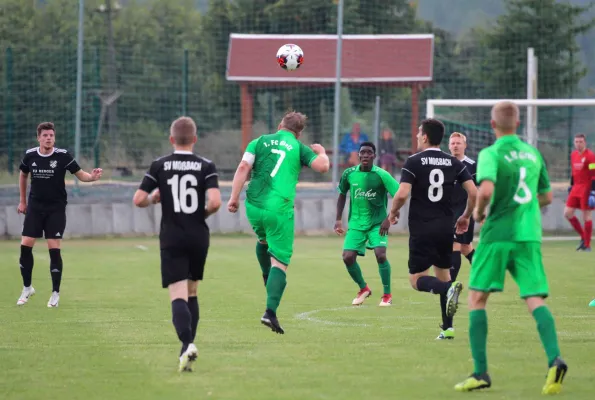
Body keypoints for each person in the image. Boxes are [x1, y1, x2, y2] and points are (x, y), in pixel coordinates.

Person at [454, 101, 567, 395]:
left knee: (477, 299)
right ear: (517, 124)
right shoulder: (532, 153)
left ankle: (480, 373)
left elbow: (486, 190)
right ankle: (555, 358)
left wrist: (478, 213)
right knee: (534, 298)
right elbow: (546, 197)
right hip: (528, 235)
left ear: (492, 125)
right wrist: (524, 207)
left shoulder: (492, 153)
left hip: (497, 235)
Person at [227, 111, 330, 334]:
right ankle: (270, 312)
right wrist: (321, 152)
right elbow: (322, 167)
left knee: (263, 240)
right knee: (281, 263)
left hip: (254, 205)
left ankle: (267, 276)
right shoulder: (299, 147)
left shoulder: (259, 142)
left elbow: (243, 168)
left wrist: (234, 197)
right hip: (279, 209)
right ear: (299, 133)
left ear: (280, 124)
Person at [133, 116, 221, 372]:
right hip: (198, 236)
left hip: (171, 236)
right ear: (195, 139)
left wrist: (154, 198)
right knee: (192, 292)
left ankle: (186, 345)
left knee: (177, 293)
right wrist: (200, 215)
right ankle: (188, 347)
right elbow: (214, 202)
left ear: (171, 139)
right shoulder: (206, 165)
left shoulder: (159, 165)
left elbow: (138, 199)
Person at [388, 118, 476, 338]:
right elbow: (474, 193)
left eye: (419, 133)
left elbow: (401, 193)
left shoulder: (414, 161)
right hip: (447, 228)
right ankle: (448, 329)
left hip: (422, 228)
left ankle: (448, 291)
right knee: (444, 276)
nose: (417, 137)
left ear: (425, 137)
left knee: (417, 280)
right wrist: (465, 216)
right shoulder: (455, 163)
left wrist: (393, 212)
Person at [17, 122, 103, 308]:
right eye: (45, 135)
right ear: (38, 137)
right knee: (25, 246)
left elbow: (81, 175)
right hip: (34, 207)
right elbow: (23, 175)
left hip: (55, 209)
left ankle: (55, 293)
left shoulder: (63, 156)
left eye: (51, 135)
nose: (49, 138)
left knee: (53, 249)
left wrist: (92, 177)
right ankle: (27, 288)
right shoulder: (30, 155)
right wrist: (23, 201)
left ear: (54, 137)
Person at [334, 142, 400, 307]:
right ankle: (364, 288)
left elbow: (400, 195)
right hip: (356, 223)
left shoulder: (381, 175)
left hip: (378, 223)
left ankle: (387, 295)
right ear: (358, 155)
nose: (365, 155)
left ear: (374, 156)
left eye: (369, 153)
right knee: (347, 257)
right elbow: (342, 194)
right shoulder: (349, 174)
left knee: (380, 254)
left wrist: (390, 216)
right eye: (362, 152)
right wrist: (338, 219)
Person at [448, 133, 477, 279]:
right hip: (446, 213)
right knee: (466, 248)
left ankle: (449, 287)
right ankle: (487, 273)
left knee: (455, 246)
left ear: (465, 145)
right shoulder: (445, 164)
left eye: (458, 143)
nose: (455, 146)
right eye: (452, 143)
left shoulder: (472, 166)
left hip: (464, 213)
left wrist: (478, 212)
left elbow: (479, 191)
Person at [565, 133, 595, 251]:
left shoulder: (590, 156)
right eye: (576, 142)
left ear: (585, 142)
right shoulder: (573, 155)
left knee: (586, 216)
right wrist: (571, 185)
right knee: (567, 213)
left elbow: (594, 174)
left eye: (580, 141)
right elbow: (573, 172)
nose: (578, 144)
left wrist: (593, 192)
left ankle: (587, 245)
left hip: (586, 188)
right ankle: (583, 236)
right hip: (576, 188)